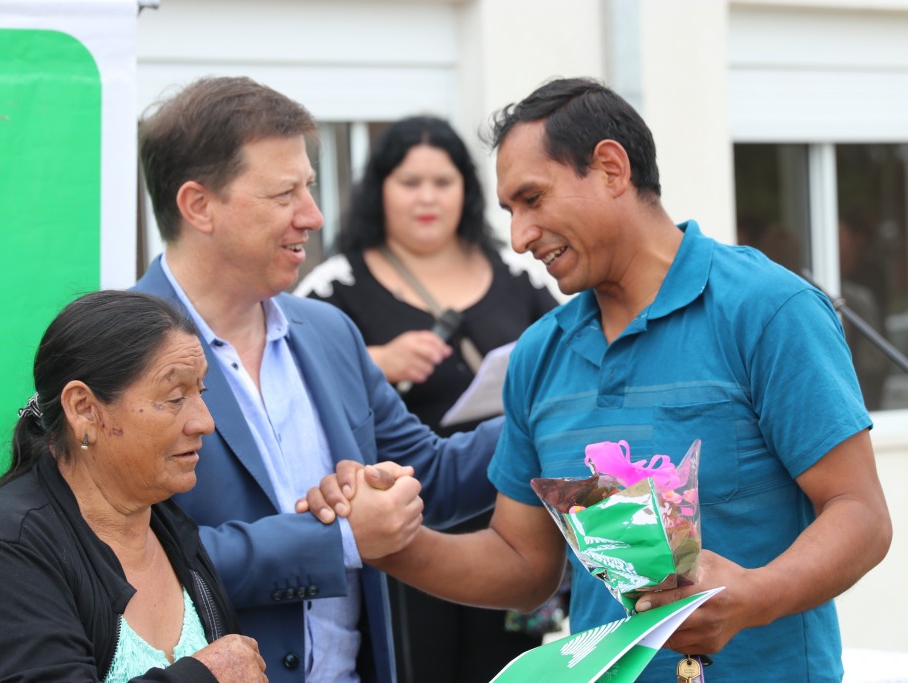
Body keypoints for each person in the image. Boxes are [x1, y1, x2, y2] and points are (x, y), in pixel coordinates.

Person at [307, 77, 893, 682]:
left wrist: (753, 596)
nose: (519, 237)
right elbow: (524, 564)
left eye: (533, 199)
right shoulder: (539, 353)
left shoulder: (768, 310)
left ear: (611, 169)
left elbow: (860, 514)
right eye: (510, 211)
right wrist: (391, 543)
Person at [133, 76, 501, 683]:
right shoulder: (118, 355)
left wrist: (547, 412)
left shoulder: (329, 331)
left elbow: (429, 477)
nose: (314, 215)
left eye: (309, 186)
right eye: (285, 193)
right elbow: (129, 560)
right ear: (198, 206)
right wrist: (340, 539)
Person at [295, 115, 561, 683]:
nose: (427, 198)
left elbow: (572, 361)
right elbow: (294, 376)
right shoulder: (333, 286)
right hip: (397, 521)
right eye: (410, 182)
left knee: (509, 668)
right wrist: (377, 361)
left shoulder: (521, 275)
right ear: (380, 189)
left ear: (467, 189)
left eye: (442, 182)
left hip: (510, 512)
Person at [0, 290, 266, 682]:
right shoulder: (3, 551)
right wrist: (206, 676)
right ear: (83, 409)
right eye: (174, 397)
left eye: (200, 392)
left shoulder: (167, 527)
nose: (204, 422)